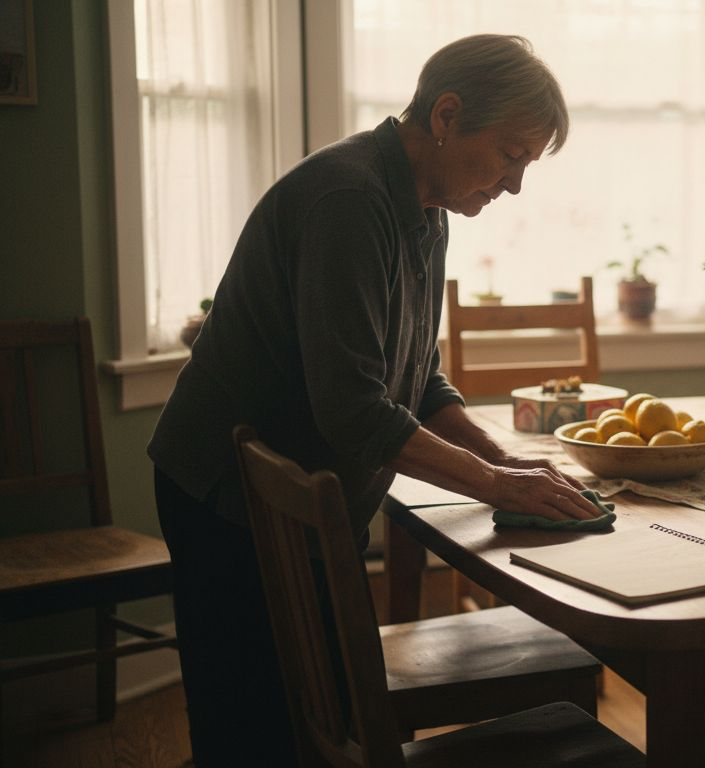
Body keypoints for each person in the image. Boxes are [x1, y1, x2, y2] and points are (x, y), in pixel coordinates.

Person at [147, 34, 599, 766]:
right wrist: (494, 483)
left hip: (301, 495)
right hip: (221, 494)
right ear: (447, 116)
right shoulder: (350, 200)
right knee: (249, 732)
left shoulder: (429, 208)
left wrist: (506, 461)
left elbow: (417, 379)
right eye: (511, 155)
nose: (515, 184)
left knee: (306, 724)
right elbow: (354, 409)